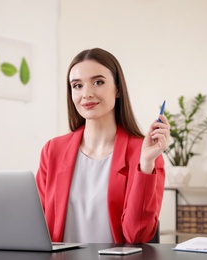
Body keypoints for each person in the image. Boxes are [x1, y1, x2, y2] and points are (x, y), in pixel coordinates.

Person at [36, 48, 170, 244]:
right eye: (77, 85)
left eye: (98, 82)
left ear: (117, 89)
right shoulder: (53, 150)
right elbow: (37, 226)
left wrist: (147, 163)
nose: (87, 94)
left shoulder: (143, 153)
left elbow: (137, 236)